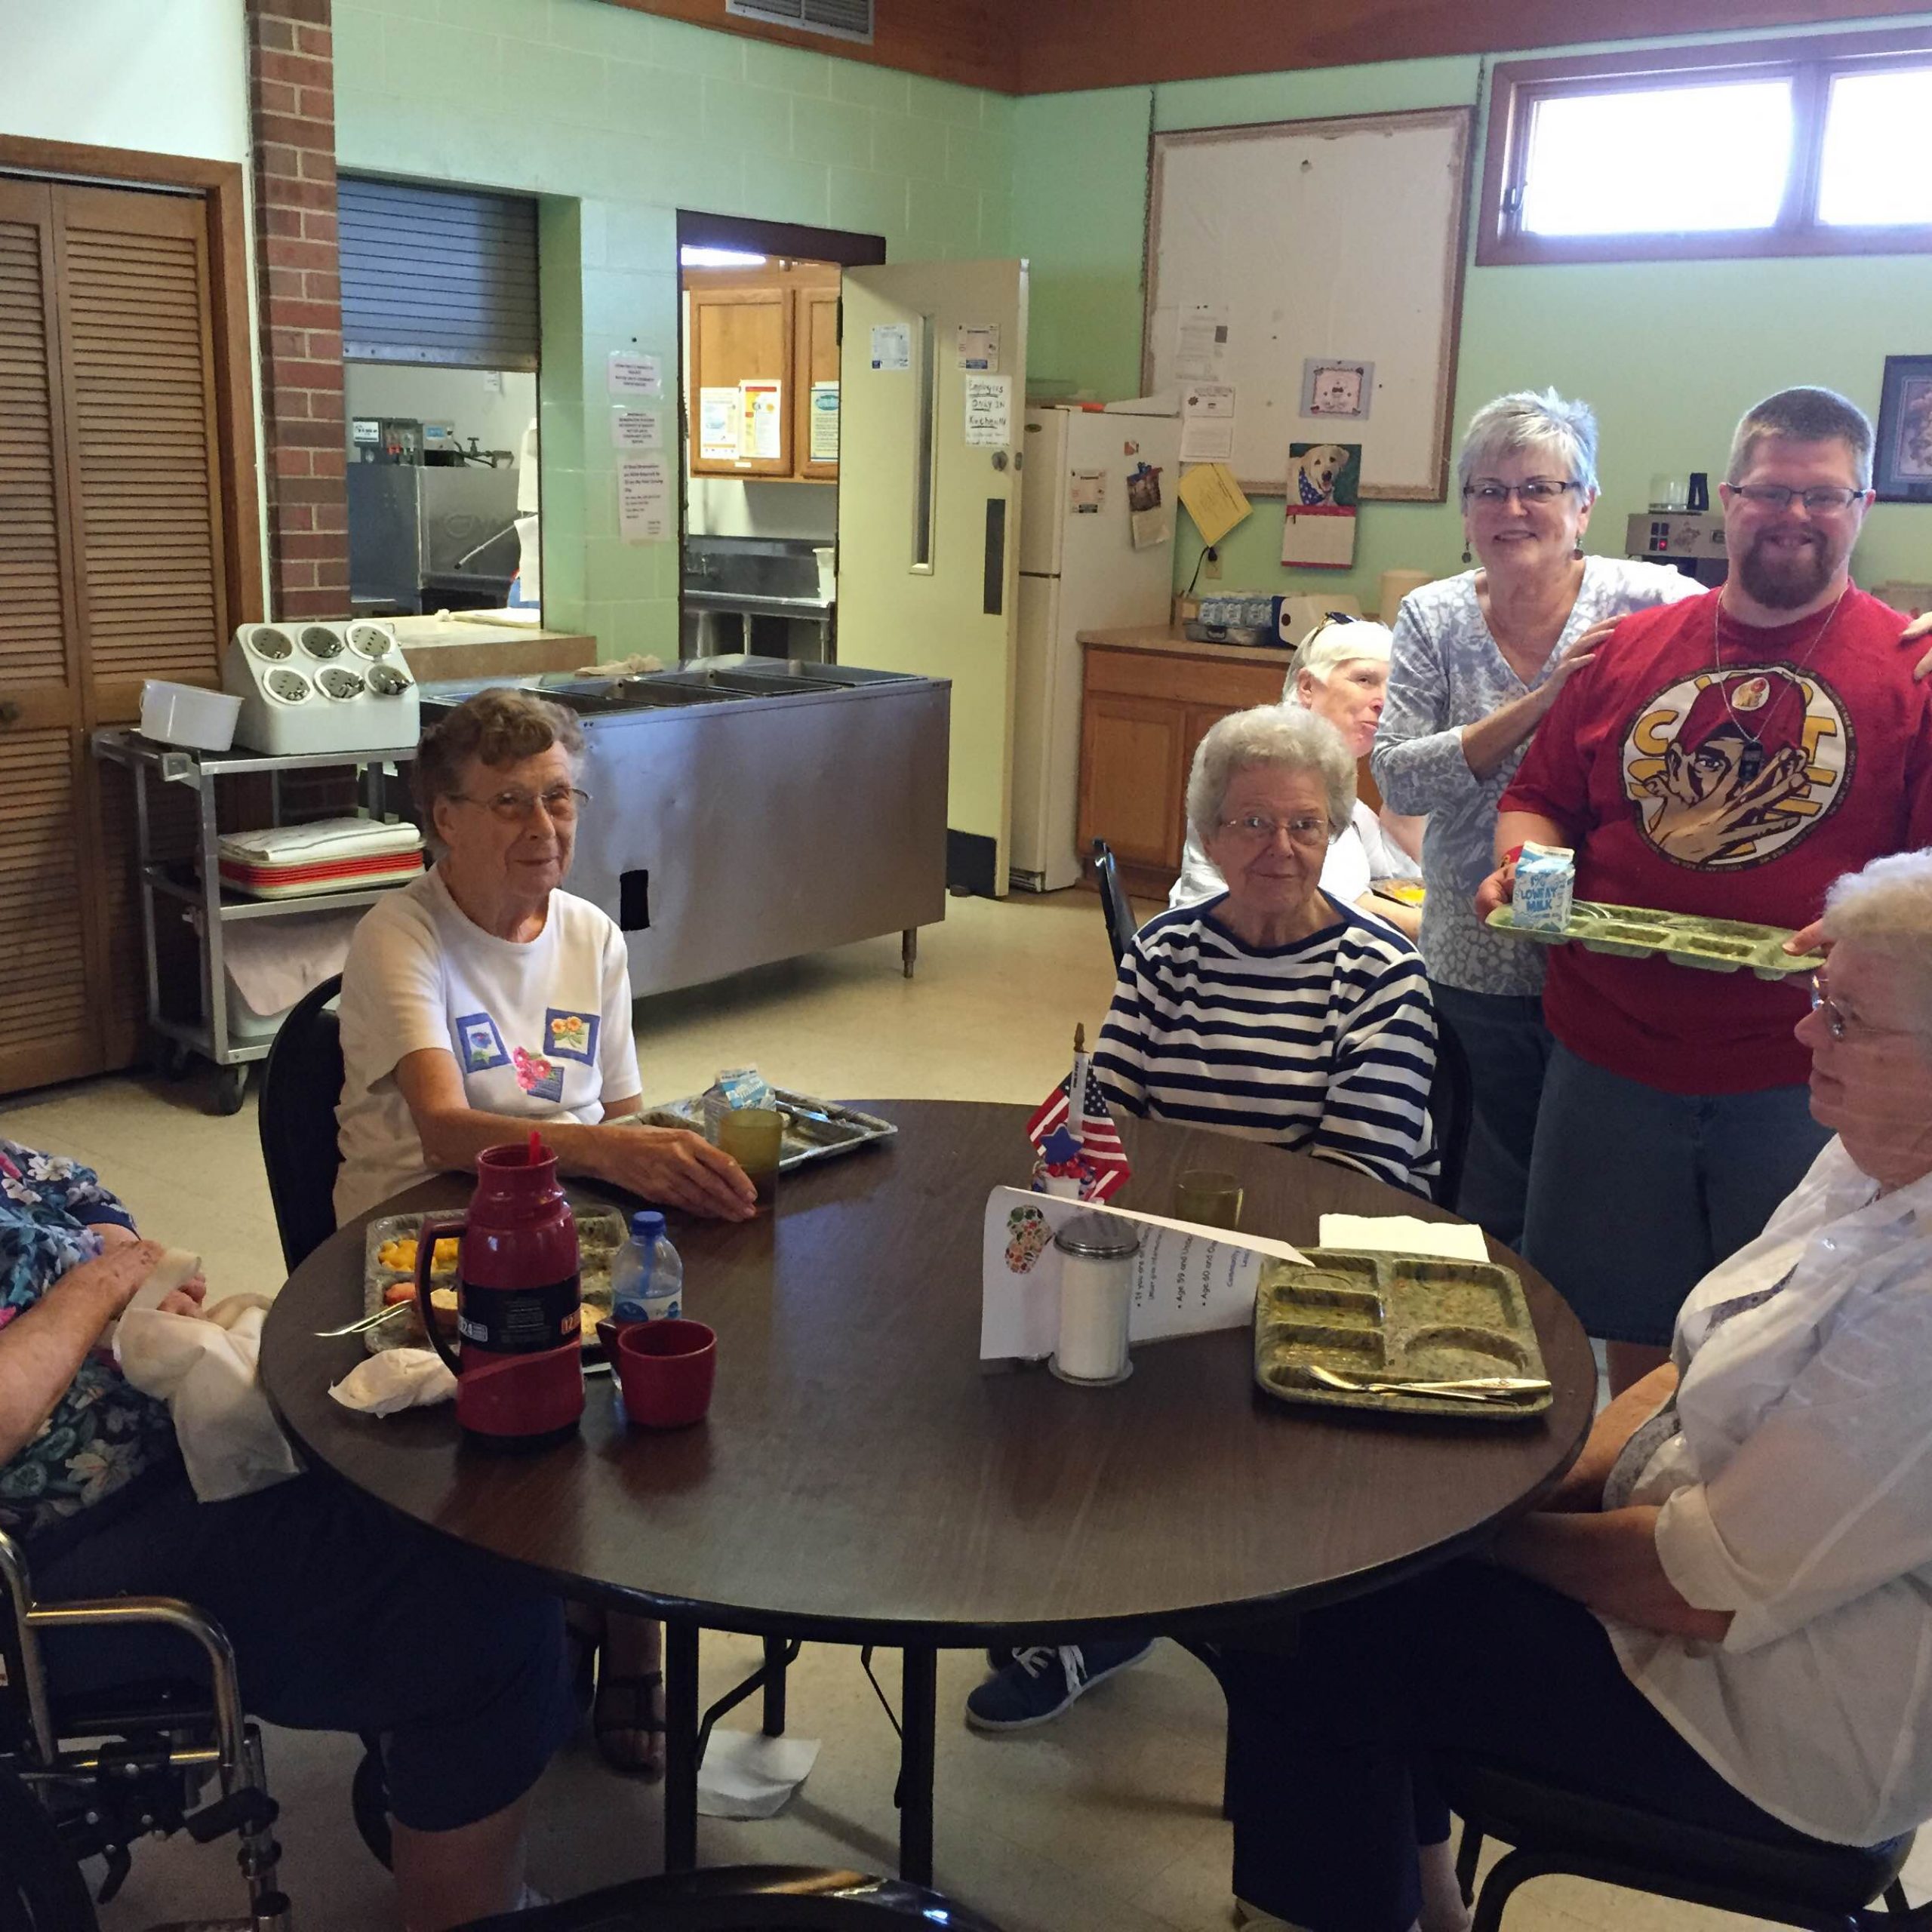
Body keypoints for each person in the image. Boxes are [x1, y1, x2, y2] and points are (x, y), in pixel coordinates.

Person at [1222, 846, 1932, 1932]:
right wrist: (1535, 1487)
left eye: (1844, 1019)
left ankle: (1362, 1899)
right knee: (1352, 1566)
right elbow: (1695, 1363)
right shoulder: (1870, 1158)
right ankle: (1415, 1893)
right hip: (1698, 1601)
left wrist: (1481, 1536)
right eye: (1818, 999)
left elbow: (1704, 1591)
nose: (1802, 1032)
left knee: (1311, 1615)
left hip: (1771, 1726)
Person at [964, 706, 1438, 1733]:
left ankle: (1229, 1603)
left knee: (1136, 1367)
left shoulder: (1380, 978)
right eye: (1252, 824)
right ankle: (1092, 1603)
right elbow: (1107, 1106)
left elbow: (1357, 1178)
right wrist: (1073, 1175)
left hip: (1304, 1270)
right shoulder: (1170, 953)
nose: (1280, 849)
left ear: (1336, 833)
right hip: (1161, 1247)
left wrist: (1208, 1241)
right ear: (1207, 837)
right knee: (1034, 1349)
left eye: (1306, 825)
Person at [337, 687, 756, 1776]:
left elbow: (619, 1113)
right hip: (422, 1236)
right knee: (545, 1386)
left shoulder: (591, 936)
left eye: (561, 799)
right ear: (444, 817)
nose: (545, 829)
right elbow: (439, 1126)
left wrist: (669, 1158)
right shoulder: (400, 935)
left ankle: (621, 1628)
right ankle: (553, 1625)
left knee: (660, 1355)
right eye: (512, 802)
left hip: (566, 1217)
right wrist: (613, 1151)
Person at [1481, 386, 1932, 1392]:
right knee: (1613, 1327)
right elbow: (1539, 797)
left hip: (1802, 1074)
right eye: (1773, 491)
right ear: (1731, 497)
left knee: (1770, 1340)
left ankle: (1699, 1521)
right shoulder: (1632, 654)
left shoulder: (1912, 673)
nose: (1794, 516)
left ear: (1862, 507)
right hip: (1605, 1059)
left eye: (1824, 497)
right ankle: (1619, 1493)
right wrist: (1521, 863)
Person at [0, 1146, 571, 1931]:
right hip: (62, 1554)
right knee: (479, 1599)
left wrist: (121, 1250)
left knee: (439, 1464)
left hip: (169, 1440)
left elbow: (58, 1179)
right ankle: (464, 1905)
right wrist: (96, 1287)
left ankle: (435, 1780)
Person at [1371, 389, 1703, 1251]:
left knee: (1603, 1173)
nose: (1511, 509)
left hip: (1608, 949)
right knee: (1489, 1172)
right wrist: (1541, 703)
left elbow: (1772, 628)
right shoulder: (1434, 617)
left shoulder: (1652, 599)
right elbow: (1399, 779)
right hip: (1473, 950)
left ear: (1584, 504)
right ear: (1465, 509)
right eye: (1487, 489)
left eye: (1538, 487)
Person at [1171, 618, 1423, 939]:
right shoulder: (1266, 757)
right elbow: (1340, 907)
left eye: (1394, 686)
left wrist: (1407, 764)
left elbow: (1402, 876)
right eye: (1364, 679)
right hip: (1226, 951)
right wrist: (1459, 930)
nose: (1383, 701)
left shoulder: (1332, 770)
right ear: (1307, 687)